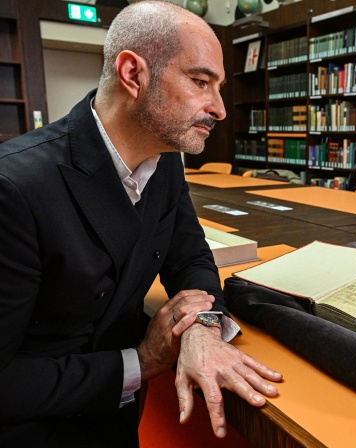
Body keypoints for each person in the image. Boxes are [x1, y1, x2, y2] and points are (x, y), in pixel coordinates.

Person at [0, 1, 282, 447]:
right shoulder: (14, 188)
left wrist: (203, 326)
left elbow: (189, 256)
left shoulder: (165, 162)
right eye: (200, 81)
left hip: (120, 418)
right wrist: (144, 360)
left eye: (219, 86)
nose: (220, 109)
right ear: (133, 74)